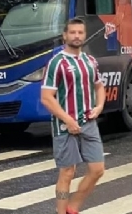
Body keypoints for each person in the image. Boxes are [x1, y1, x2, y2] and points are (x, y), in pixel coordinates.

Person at [40, 18, 106, 214]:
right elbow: (46, 98)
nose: (76, 36)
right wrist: (68, 120)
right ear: (65, 35)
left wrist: (99, 106)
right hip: (64, 126)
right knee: (67, 173)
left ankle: (73, 207)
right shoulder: (56, 63)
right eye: (73, 33)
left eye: (80, 33)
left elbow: (99, 85)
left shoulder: (90, 61)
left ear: (84, 35)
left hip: (89, 122)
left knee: (97, 170)